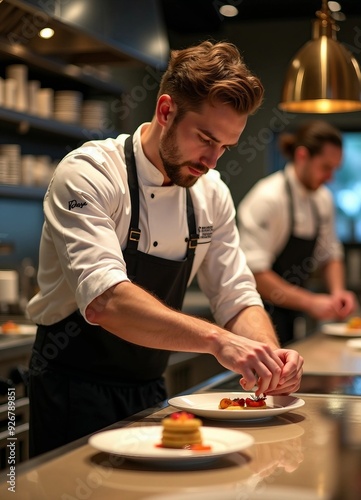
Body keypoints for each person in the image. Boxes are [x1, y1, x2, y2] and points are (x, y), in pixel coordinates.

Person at [27, 40, 303, 457]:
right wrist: (218, 341)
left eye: (224, 148)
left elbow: (236, 295)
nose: (212, 161)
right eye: (205, 139)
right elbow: (106, 302)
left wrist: (268, 356)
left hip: (152, 393)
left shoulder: (210, 193)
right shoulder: (89, 174)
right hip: (72, 392)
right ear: (165, 111)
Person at [237, 120, 357, 346]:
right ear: (302, 156)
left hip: (294, 315)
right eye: (325, 167)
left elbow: (330, 254)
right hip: (259, 315)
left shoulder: (322, 199)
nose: (330, 177)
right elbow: (256, 274)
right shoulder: (268, 198)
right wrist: (311, 302)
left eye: (334, 169)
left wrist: (338, 292)